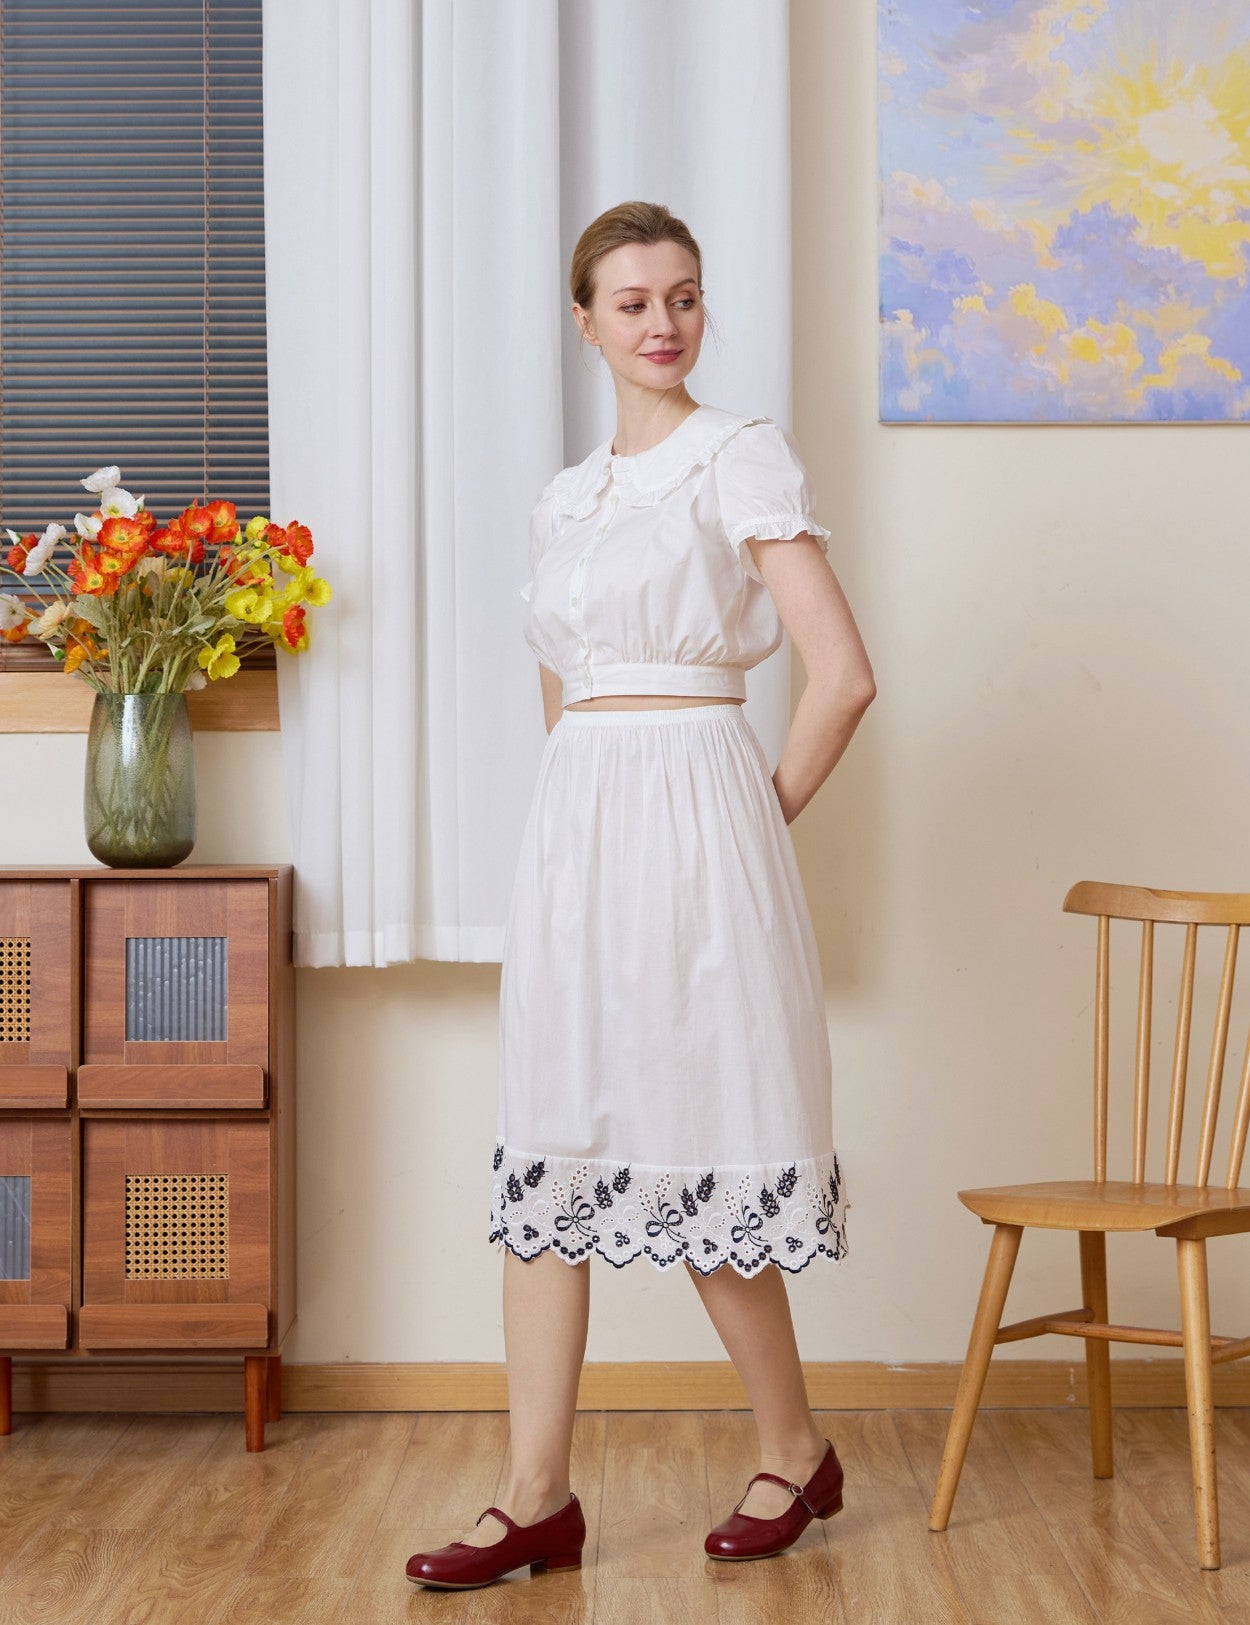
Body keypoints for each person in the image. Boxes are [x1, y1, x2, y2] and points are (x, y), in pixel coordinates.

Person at [407, 201, 875, 1591]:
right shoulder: (564, 498)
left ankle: (789, 1445)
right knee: (554, 1143)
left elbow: (840, 673)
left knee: (696, 1132)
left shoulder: (738, 459)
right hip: (578, 834)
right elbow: (564, 699)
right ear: (585, 320)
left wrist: (751, 819)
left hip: (696, 816)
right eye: (630, 301)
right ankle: (532, 1495)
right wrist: (575, 838)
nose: (661, 321)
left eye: (681, 296)